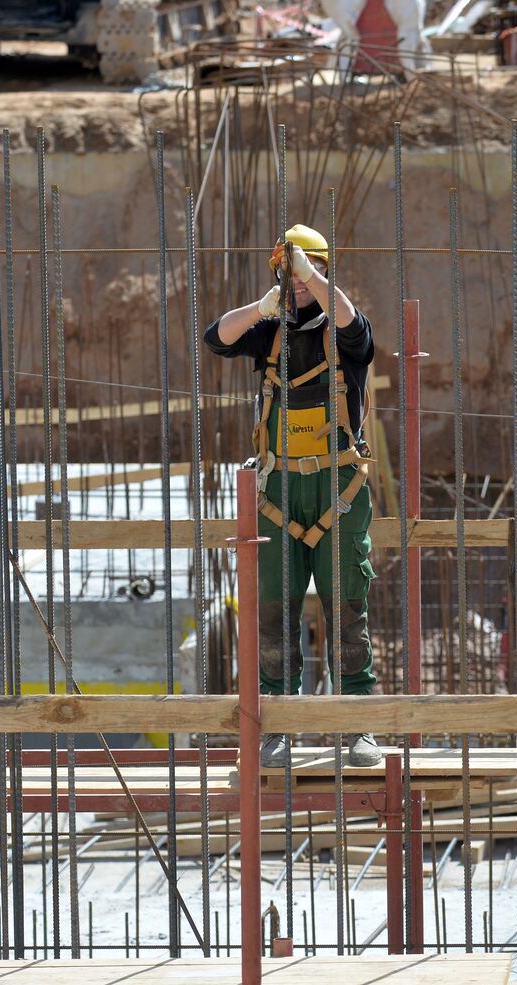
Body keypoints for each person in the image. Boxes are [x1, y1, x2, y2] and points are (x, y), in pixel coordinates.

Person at [205, 224, 381, 769]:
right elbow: (217, 337)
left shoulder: (344, 330)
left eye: (305, 273)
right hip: (279, 490)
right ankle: (277, 727)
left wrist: (313, 278)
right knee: (276, 613)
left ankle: (358, 728)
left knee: (347, 610)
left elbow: (356, 327)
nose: (297, 285)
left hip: (338, 489)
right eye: (289, 274)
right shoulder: (270, 332)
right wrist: (262, 306)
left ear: (324, 270)